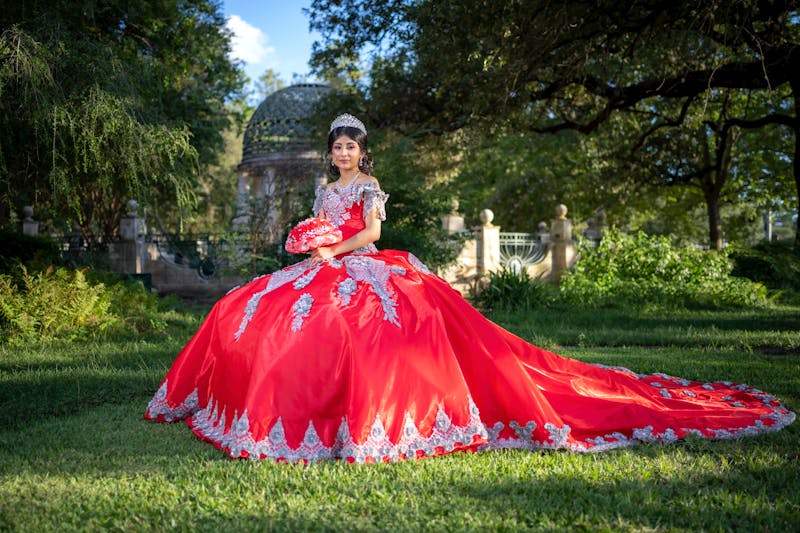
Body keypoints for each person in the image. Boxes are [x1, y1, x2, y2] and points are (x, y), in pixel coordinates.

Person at [145, 113, 795, 463]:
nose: (343, 153)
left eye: (350, 145)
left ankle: (370, 419)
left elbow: (370, 232)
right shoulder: (323, 188)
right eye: (336, 145)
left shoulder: (370, 189)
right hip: (323, 261)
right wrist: (306, 241)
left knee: (368, 324)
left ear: (361, 153)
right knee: (252, 305)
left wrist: (327, 249)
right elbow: (318, 220)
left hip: (364, 260)